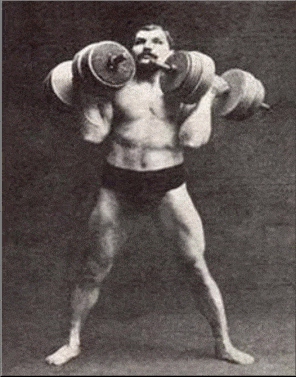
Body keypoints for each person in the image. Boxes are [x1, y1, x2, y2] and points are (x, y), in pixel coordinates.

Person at [45, 24, 254, 366]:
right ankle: (72, 341)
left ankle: (223, 343)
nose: (146, 46)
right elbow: (93, 137)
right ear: (128, 50)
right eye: (139, 41)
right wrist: (87, 93)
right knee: (93, 268)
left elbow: (192, 140)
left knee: (196, 267)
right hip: (118, 188)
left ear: (172, 51)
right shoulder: (113, 87)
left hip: (168, 187)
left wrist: (206, 96)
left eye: (157, 41)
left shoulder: (185, 91)